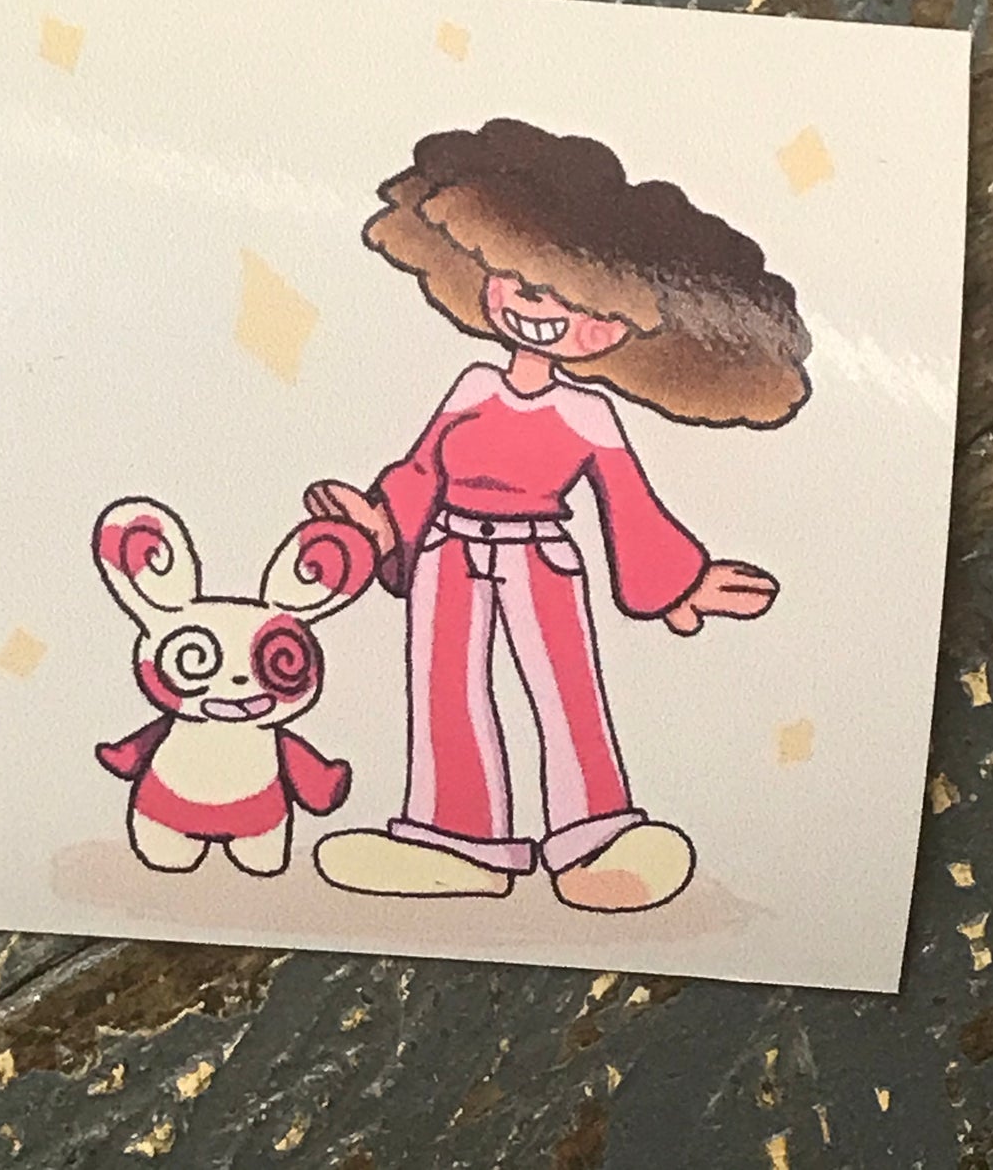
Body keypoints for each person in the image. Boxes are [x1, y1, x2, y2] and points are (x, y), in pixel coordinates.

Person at [307, 118, 811, 912]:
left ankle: (597, 836)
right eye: (523, 283)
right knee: (444, 687)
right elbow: (421, 471)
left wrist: (681, 582)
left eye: (577, 305)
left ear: (619, 327)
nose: (538, 308)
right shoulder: (472, 387)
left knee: (566, 689)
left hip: (540, 556)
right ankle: (452, 837)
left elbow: (629, 508)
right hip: (445, 553)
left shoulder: (588, 415)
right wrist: (378, 524)